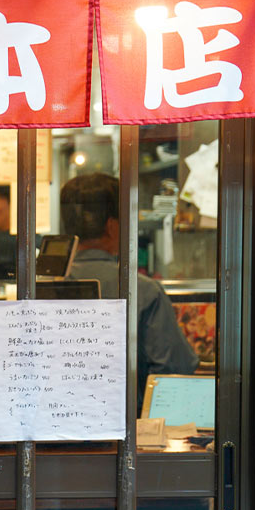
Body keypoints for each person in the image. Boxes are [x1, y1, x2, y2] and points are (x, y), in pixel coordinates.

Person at [60, 173, 198, 409]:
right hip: (126, 434)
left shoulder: (35, 289)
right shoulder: (143, 291)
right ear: (113, 227)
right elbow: (175, 369)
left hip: (47, 433)